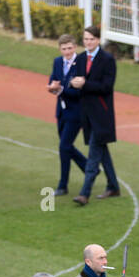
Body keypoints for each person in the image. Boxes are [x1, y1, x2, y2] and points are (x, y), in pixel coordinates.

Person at [71, 26, 120, 206]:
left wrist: (84, 84)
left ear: (98, 40)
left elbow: (106, 87)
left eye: (91, 39)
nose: (88, 42)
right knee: (102, 152)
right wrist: (73, 83)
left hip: (101, 114)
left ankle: (85, 193)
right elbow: (75, 80)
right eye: (85, 39)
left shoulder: (107, 60)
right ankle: (113, 186)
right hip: (87, 114)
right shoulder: (81, 59)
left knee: (93, 155)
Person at [48, 34, 88, 197]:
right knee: (66, 146)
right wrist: (52, 86)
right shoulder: (58, 62)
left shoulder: (81, 64)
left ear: (75, 47)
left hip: (76, 111)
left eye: (70, 48)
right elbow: (54, 80)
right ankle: (88, 168)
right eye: (64, 49)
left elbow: (79, 92)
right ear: (60, 49)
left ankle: (62, 185)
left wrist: (62, 90)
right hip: (61, 110)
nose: (67, 52)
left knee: (64, 146)